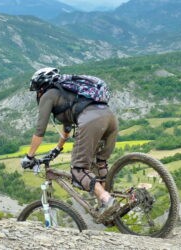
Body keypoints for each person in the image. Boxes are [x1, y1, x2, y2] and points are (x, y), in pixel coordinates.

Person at [20, 67, 119, 216]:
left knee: (78, 170)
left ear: (41, 86)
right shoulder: (70, 93)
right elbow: (67, 126)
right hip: (110, 118)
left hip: (91, 121)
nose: (37, 94)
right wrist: (58, 148)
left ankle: (106, 199)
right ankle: (110, 208)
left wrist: (29, 157)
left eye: (36, 90)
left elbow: (40, 131)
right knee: (100, 162)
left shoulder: (48, 95)